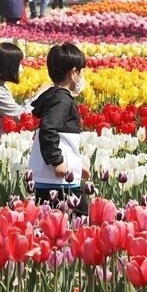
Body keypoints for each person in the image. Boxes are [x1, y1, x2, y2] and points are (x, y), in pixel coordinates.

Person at [28, 43, 90, 216]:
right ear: (72, 73)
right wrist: (57, 162)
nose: (82, 76)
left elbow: (63, 139)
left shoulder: (53, 96)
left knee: (49, 221)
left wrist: (78, 166)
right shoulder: (62, 100)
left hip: (51, 176)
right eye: (81, 71)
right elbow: (48, 129)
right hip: (59, 180)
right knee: (80, 220)